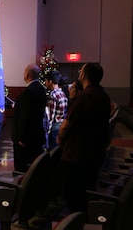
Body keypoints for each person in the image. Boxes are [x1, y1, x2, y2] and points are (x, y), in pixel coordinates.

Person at [58, 63, 111, 213]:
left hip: (77, 155)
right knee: (88, 192)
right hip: (95, 152)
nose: (79, 73)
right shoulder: (104, 96)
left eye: (81, 71)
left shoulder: (84, 97)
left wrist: (61, 138)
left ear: (83, 75)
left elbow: (65, 126)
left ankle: (75, 221)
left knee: (74, 196)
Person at [11, 64, 47, 173]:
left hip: (26, 140)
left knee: (22, 169)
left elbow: (25, 117)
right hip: (36, 136)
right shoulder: (41, 89)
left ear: (26, 74)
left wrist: (22, 138)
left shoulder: (28, 92)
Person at [44, 70, 68, 150]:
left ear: (50, 81)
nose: (45, 83)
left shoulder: (53, 95)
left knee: (53, 151)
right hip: (62, 124)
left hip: (54, 127)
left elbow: (50, 116)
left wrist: (47, 131)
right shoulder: (62, 93)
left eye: (46, 81)